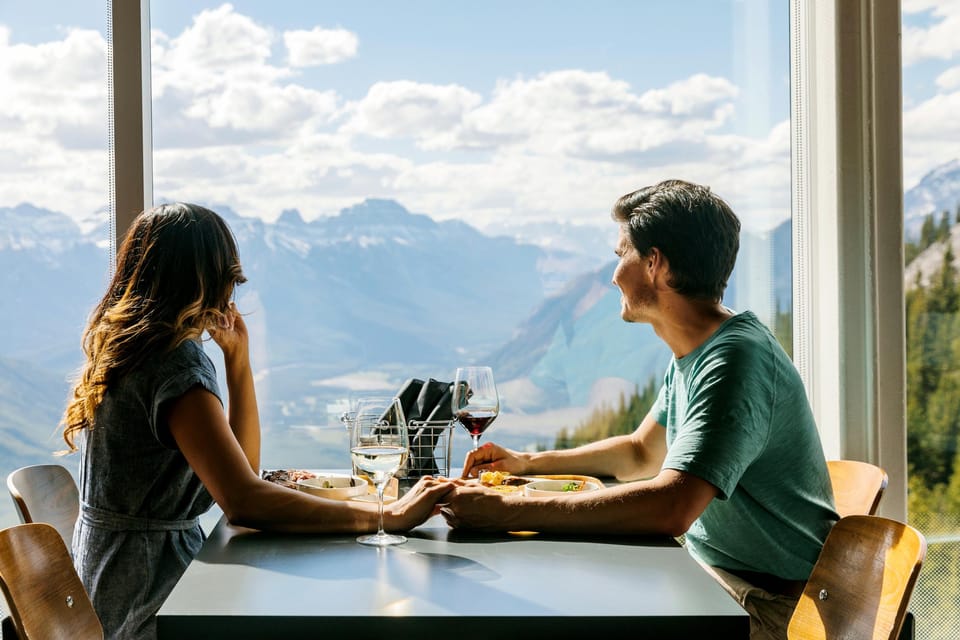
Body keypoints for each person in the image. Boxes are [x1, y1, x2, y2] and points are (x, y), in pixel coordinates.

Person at [441, 180, 838, 640]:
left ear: (655, 264)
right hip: (716, 579)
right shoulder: (699, 350)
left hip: (772, 608)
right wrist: (527, 464)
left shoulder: (736, 360)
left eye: (620, 255)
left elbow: (672, 506)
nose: (613, 275)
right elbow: (639, 454)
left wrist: (509, 511)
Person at [60, 202, 452, 640]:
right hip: (154, 600)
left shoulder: (130, 349)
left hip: (116, 584)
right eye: (229, 280)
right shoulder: (173, 363)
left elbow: (242, 473)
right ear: (204, 281)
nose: (232, 295)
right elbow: (245, 501)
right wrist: (385, 515)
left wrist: (237, 362)